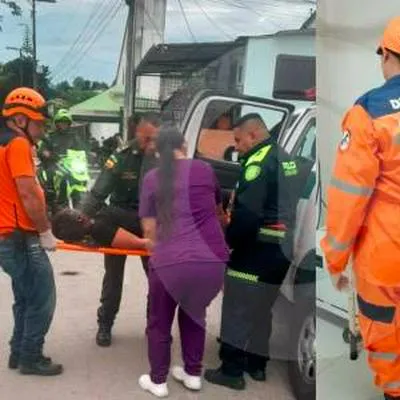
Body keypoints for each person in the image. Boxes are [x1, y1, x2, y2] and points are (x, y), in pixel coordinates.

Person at [320, 17, 400, 400]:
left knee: (387, 341)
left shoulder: (370, 111)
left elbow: (349, 196)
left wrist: (334, 259)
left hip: (387, 258)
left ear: (386, 54)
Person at [204, 113, 299, 390]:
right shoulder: (286, 157)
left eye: (238, 139)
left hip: (255, 250)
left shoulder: (256, 164)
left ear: (253, 135)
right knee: (262, 309)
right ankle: (257, 366)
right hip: (281, 251)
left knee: (237, 308)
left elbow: (247, 215)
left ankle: (231, 371)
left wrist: (228, 241)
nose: (237, 146)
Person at [137, 124, 229, 398]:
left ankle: (158, 380)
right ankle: (192, 374)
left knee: (160, 321)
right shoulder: (205, 170)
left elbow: (149, 230)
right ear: (184, 146)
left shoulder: (152, 179)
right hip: (211, 262)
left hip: (172, 261)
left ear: (158, 153)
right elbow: (218, 211)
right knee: (195, 315)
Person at [80, 112, 161, 347]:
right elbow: (99, 191)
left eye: (155, 139)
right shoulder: (122, 156)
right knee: (113, 277)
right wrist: (82, 217)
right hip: (120, 221)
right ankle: (105, 324)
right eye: (146, 139)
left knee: (157, 279)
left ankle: (154, 325)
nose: (150, 144)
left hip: (151, 224)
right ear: (137, 134)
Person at [0, 87, 62, 376]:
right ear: (20, 120)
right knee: (42, 297)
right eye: (38, 123)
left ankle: (18, 352)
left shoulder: (6, 144)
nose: (42, 130)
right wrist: (45, 231)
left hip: (10, 237)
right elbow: (28, 194)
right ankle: (30, 357)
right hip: (19, 236)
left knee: (25, 296)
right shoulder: (18, 146)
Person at [37, 108, 86, 211]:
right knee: (51, 174)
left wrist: (87, 155)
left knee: (81, 179)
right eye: (61, 122)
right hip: (54, 164)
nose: (63, 124)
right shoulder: (50, 137)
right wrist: (48, 154)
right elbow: (42, 150)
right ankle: (52, 199)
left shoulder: (74, 136)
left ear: (69, 123)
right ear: (57, 123)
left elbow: (81, 150)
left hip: (71, 166)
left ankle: (79, 209)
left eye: (65, 122)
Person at [51, 206, 149, 250]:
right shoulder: (99, 229)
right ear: (79, 219)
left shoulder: (98, 226)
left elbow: (144, 243)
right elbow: (143, 243)